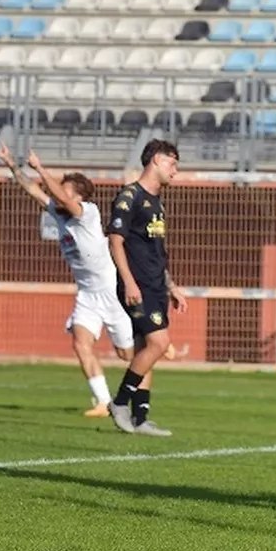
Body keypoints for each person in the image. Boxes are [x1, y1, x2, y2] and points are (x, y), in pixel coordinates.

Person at [0, 144, 134, 418]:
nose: (60, 193)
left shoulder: (88, 212)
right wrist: (13, 165)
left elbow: (61, 197)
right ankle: (103, 402)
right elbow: (33, 189)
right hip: (86, 295)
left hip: (111, 292)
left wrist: (40, 168)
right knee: (80, 344)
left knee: (127, 355)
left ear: (80, 195)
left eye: (66, 189)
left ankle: (154, 348)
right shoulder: (59, 215)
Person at [104, 139, 187, 437]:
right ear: (155, 160)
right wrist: (128, 282)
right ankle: (120, 402)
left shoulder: (157, 203)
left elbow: (156, 252)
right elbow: (115, 240)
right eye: (172, 163)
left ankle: (140, 418)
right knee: (159, 344)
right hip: (137, 286)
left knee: (146, 350)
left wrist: (171, 286)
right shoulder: (130, 197)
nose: (175, 171)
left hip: (155, 287)